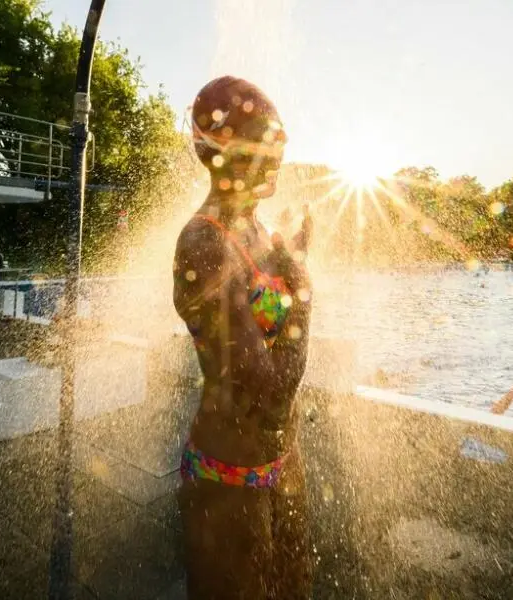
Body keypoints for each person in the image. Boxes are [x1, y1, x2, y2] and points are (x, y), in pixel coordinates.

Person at [172, 76, 313, 599]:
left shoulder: (257, 230)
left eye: (280, 139)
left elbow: (273, 318)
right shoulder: (204, 243)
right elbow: (269, 387)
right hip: (227, 476)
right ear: (218, 151)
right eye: (264, 139)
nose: (278, 151)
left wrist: (292, 262)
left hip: (284, 463)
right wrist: (304, 292)